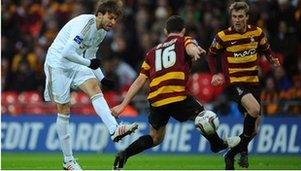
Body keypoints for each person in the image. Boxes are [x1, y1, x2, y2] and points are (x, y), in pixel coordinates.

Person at [111, 15, 241, 170]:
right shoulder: (184, 40)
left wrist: (123, 104)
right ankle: (217, 145)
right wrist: (195, 52)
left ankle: (124, 154)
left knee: (155, 138)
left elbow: (140, 80)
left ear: (166, 31)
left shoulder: (151, 52)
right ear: (184, 30)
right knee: (205, 117)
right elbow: (190, 47)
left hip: (156, 99)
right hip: (176, 95)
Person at [43, 1, 138, 170]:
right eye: (110, 17)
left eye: (115, 19)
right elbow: (67, 53)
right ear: (100, 14)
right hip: (57, 63)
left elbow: (91, 55)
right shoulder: (86, 24)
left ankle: (114, 129)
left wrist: (102, 78)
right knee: (64, 109)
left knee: (95, 87)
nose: (113, 22)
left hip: (75, 62)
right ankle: (68, 161)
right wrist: (87, 62)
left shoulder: (101, 32)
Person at [207, 1, 280, 170]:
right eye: (234, 17)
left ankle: (231, 154)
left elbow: (265, 48)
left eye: (240, 16)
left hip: (253, 83)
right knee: (254, 110)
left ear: (247, 17)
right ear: (231, 18)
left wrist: (271, 58)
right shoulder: (223, 36)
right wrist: (215, 73)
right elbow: (211, 55)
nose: (237, 20)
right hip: (236, 83)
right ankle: (242, 152)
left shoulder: (257, 32)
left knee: (254, 130)